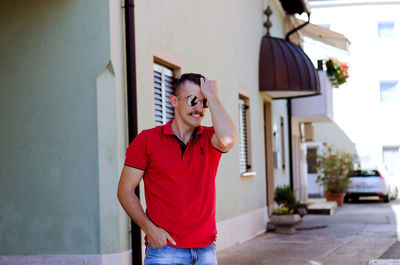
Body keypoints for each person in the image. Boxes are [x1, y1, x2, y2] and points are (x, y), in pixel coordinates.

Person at [117, 73, 237, 265]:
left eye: (204, 102)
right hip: (164, 250)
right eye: (193, 100)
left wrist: (213, 97)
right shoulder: (147, 140)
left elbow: (229, 139)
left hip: (205, 251)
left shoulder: (210, 138)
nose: (199, 108)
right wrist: (149, 229)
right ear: (174, 101)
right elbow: (125, 190)